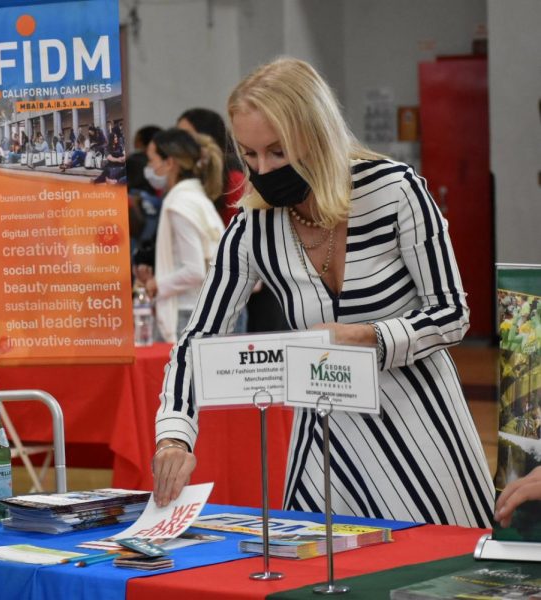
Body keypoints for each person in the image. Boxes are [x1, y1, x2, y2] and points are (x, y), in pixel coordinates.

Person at [151, 57, 494, 529]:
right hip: (327, 444)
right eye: (249, 156)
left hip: (422, 429)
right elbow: (196, 340)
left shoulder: (394, 192)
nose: (263, 169)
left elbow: (453, 314)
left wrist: (366, 337)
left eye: (278, 151)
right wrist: (175, 436)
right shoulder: (253, 227)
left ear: (317, 134)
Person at [177, 107, 289, 334]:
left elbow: (244, 237)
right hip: (234, 285)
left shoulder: (235, 179)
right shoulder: (197, 185)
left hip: (259, 288)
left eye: (186, 136)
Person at [133, 128, 225, 343]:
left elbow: (194, 271)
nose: (150, 168)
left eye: (152, 160)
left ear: (170, 163)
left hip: (186, 311)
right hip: (197, 308)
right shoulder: (194, 198)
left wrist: (157, 284)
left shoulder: (180, 204)